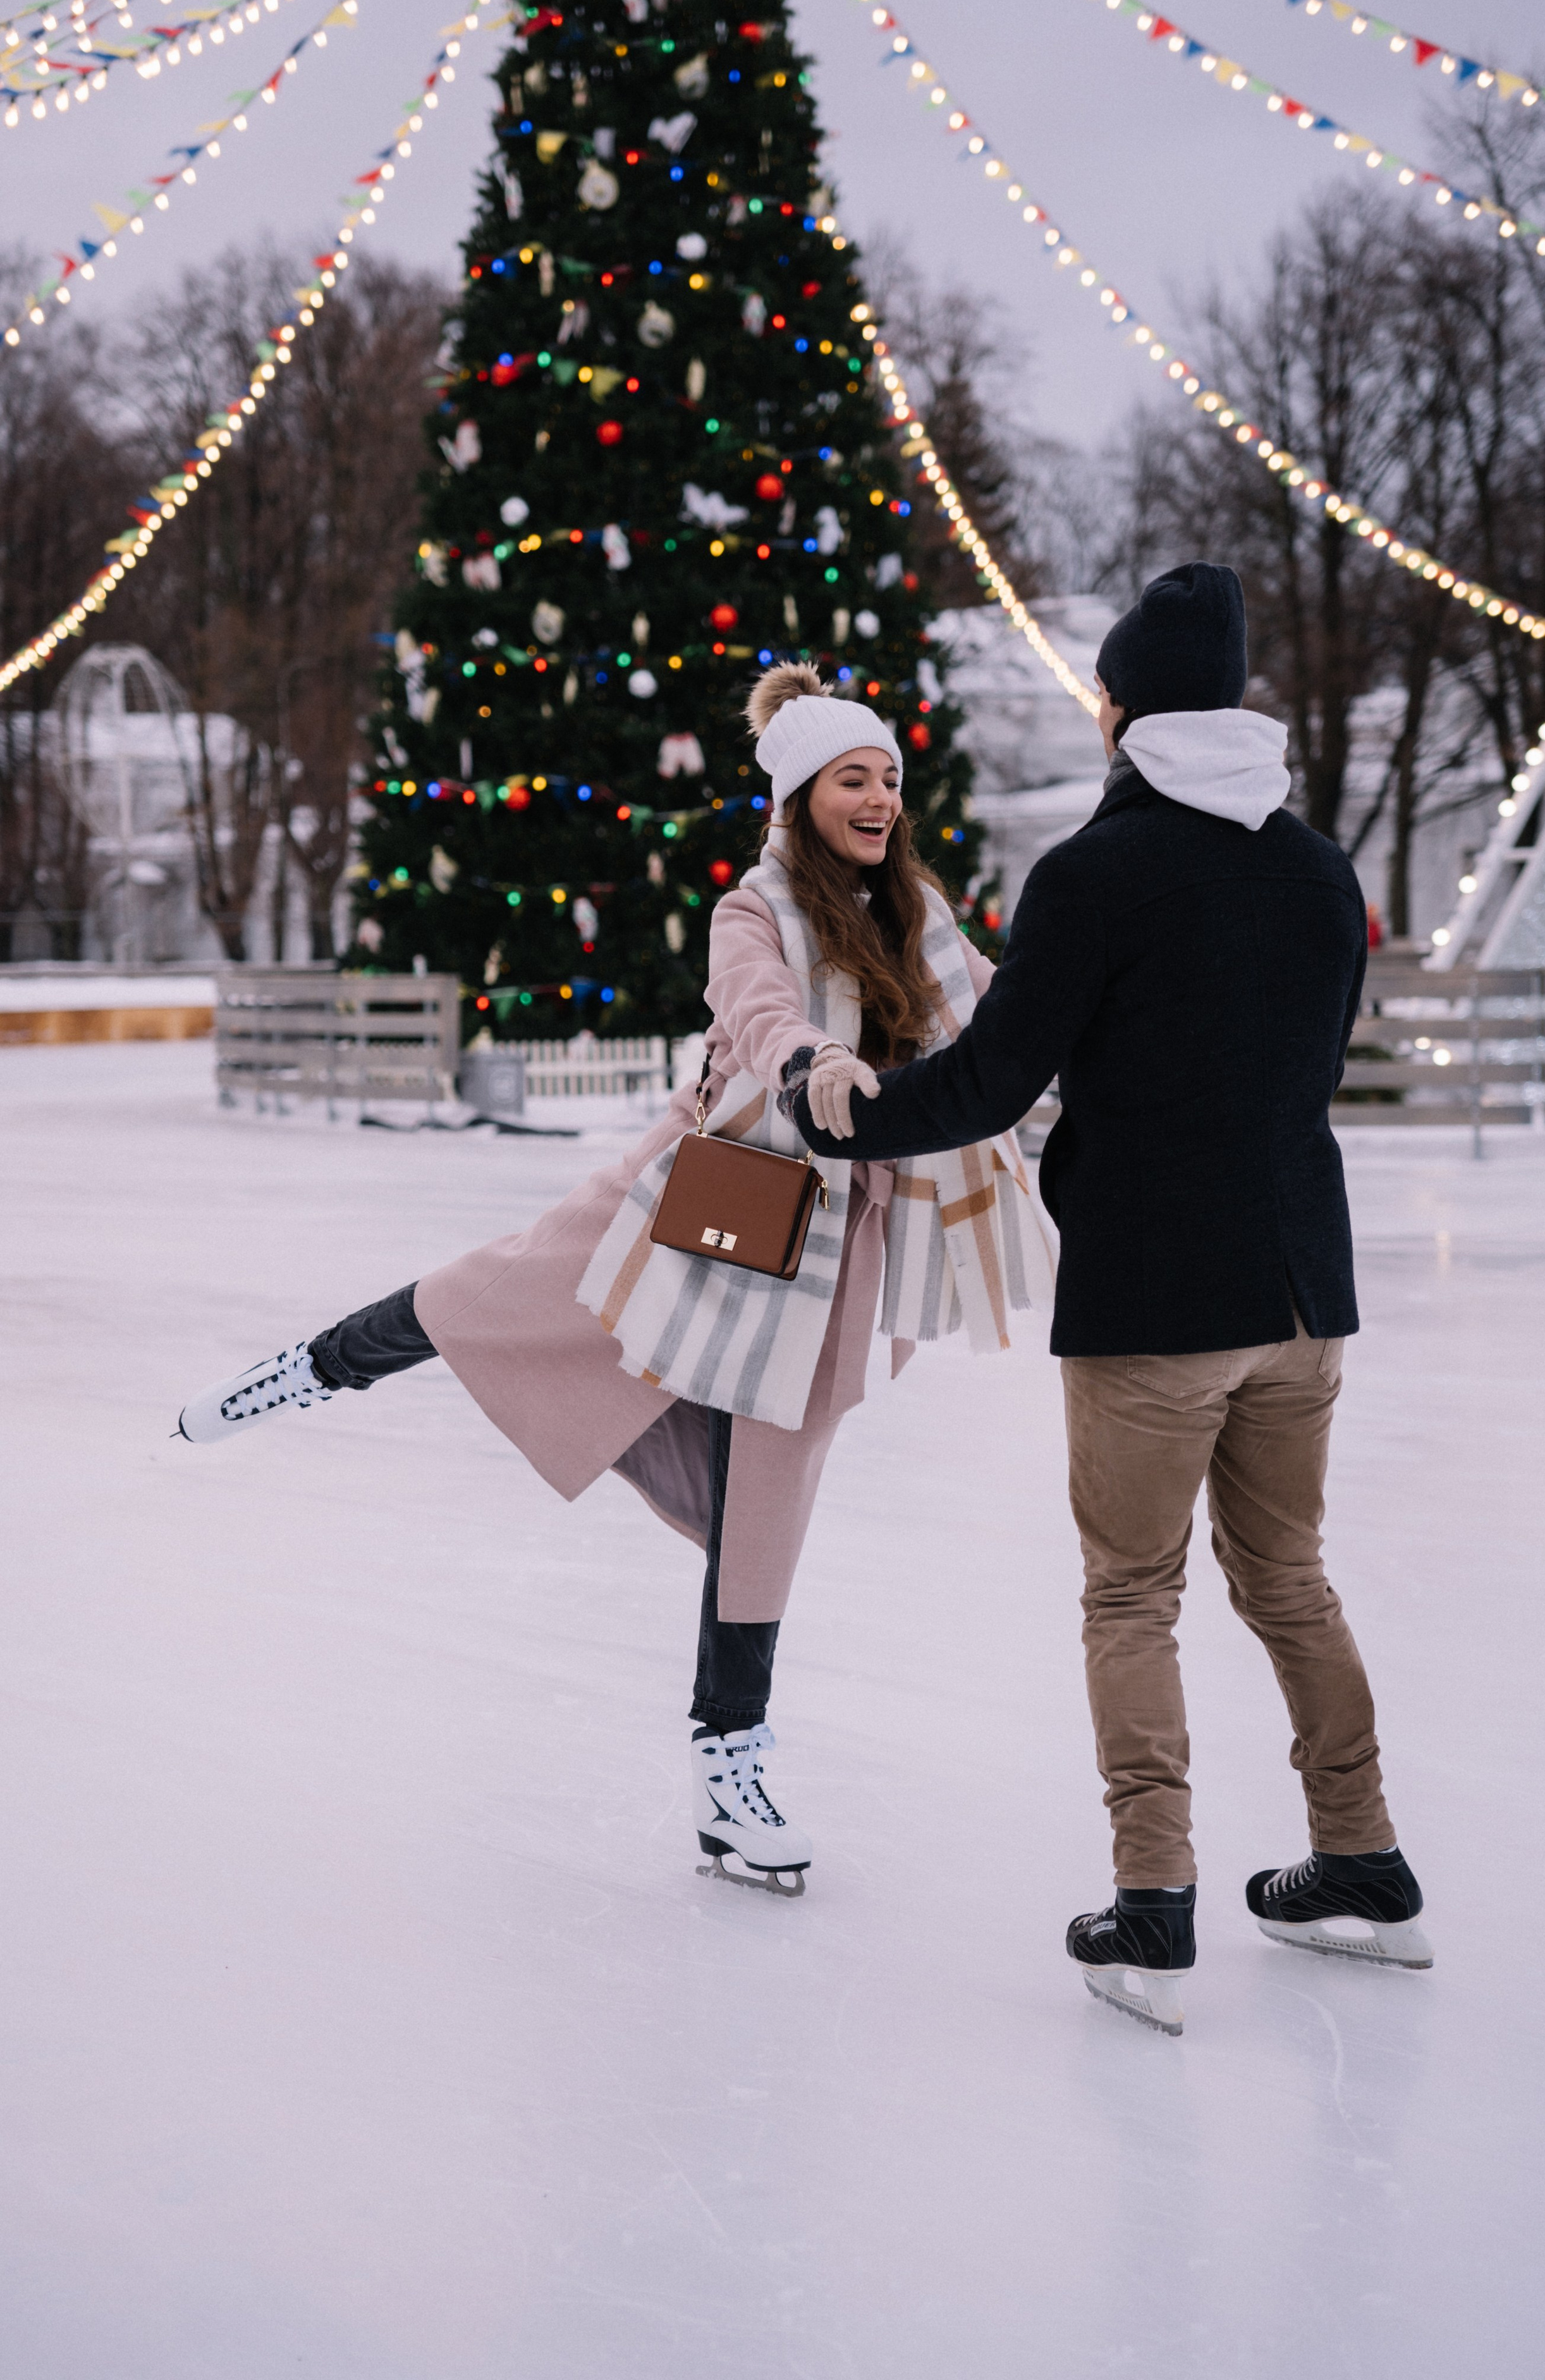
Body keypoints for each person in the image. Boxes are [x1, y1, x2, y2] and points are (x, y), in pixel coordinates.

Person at [177, 663, 1049, 1897]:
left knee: (767, 1496)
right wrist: (811, 1068)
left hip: (834, 1244)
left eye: (890, 779)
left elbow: (990, 1035)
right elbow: (755, 1017)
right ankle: (309, 1370)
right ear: (799, 795)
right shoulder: (755, 910)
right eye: (853, 778)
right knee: (498, 1292)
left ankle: (725, 1766)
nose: (879, 797)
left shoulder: (920, 915)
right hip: (712, 1195)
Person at [792, 563, 1429, 2035]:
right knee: (1288, 1581)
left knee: (1129, 1592)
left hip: (1154, 1300)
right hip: (1299, 1293)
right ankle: (1363, 1865)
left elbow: (989, 1084)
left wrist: (840, 1111)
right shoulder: (1319, 870)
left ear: (1118, 708)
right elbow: (1306, 1064)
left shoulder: (1092, 875)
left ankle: (1151, 1911)